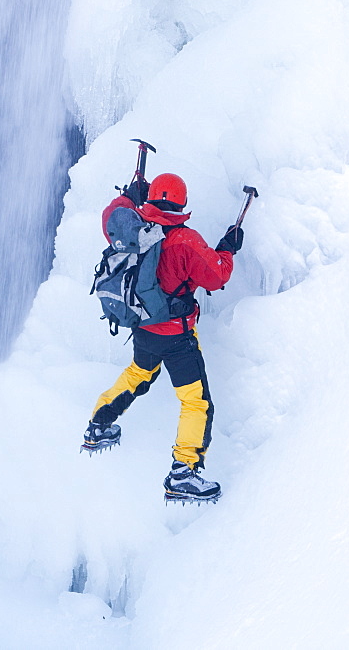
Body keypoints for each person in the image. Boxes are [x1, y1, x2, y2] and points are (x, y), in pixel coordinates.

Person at [83, 173, 243, 502]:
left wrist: (129, 196)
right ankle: (184, 472)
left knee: (138, 374)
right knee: (195, 401)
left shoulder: (132, 227)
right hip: (176, 336)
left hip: (143, 327)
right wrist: (227, 249)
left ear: (151, 197)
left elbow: (109, 217)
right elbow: (216, 275)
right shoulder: (185, 240)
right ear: (182, 204)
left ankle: (98, 425)